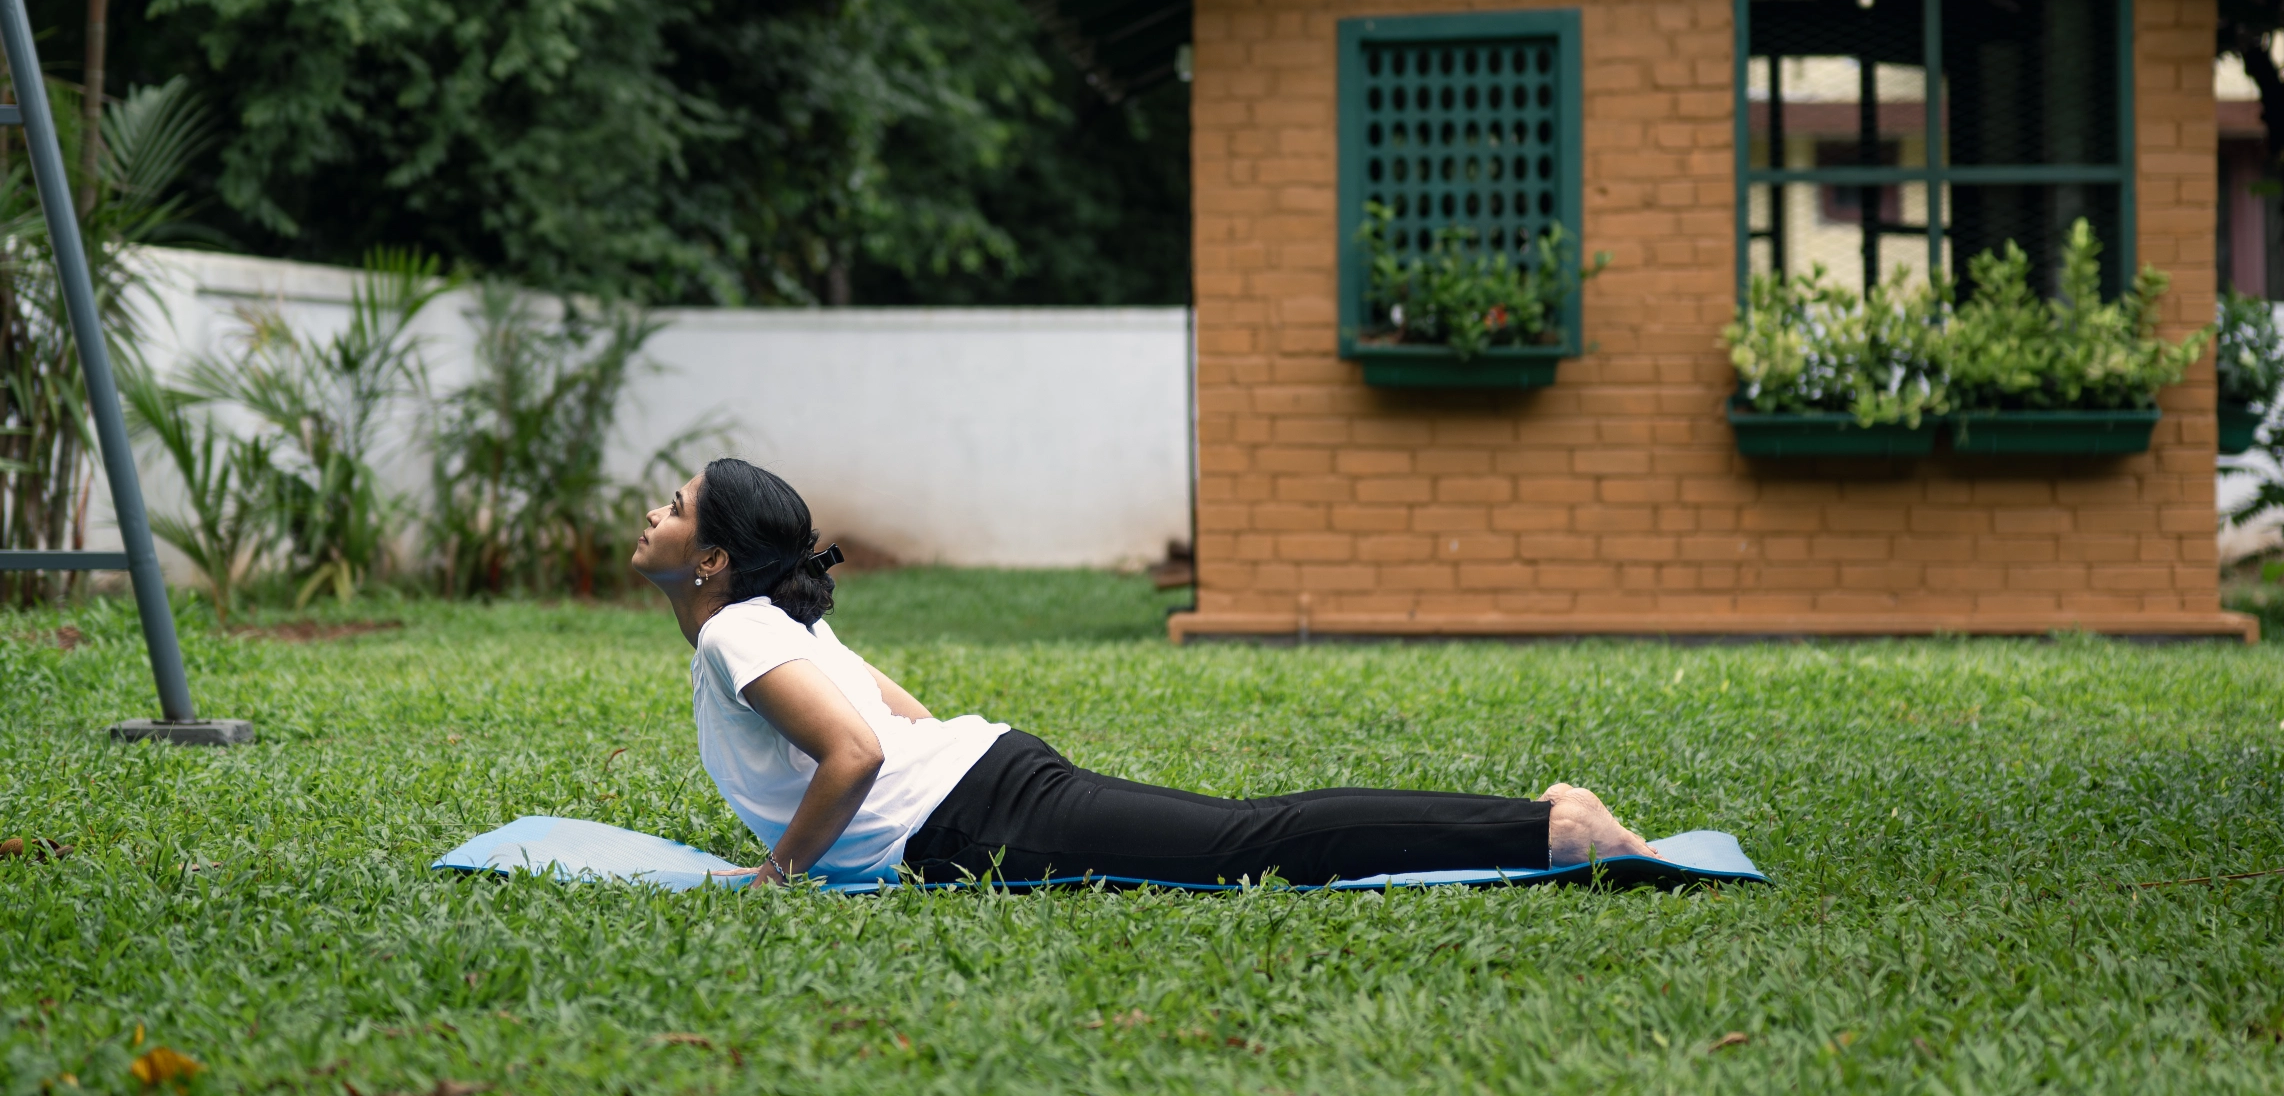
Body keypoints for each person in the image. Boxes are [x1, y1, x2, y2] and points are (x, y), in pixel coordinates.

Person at [631, 458, 1657, 888]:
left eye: (673, 508)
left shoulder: (736, 636)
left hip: (972, 813)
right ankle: (1542, 823)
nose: (652, 514)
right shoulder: (765, 624)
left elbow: (855, 748)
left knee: (1240, 844)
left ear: (712, 559)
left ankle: (1551, 830)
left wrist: (778, 877)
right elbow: (892, 710)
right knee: (1236, 834)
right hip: (978, 781)